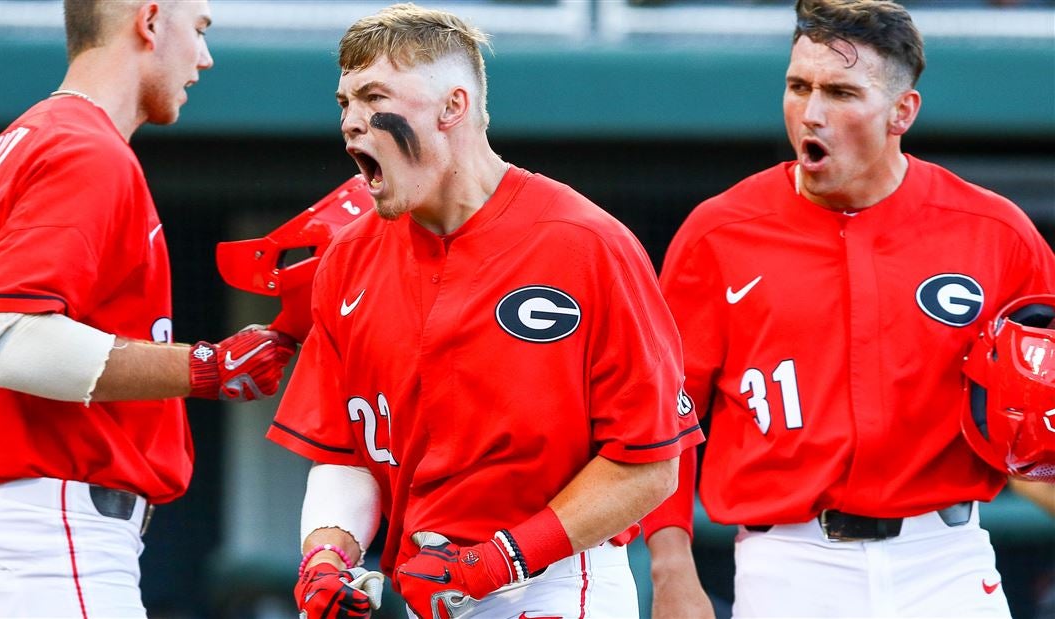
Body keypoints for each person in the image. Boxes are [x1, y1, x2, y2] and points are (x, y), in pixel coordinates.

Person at [265, 4, 704, 618]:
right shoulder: (349, 256)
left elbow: (650, 465)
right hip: (428, 591)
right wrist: (327, 556)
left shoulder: (586, 243)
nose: (351, 123)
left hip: (555, 581)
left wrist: (503, 556)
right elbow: (346, 452)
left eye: (373, 96)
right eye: (344, 103)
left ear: (454, 106)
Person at [646, 0, 1055, 617]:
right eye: (797, 86)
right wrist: (671, 567)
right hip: (788, 563)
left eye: (839, 92)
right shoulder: (718, 234)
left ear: (902, 112)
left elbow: (1037, 427)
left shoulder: (995, 232)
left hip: (946, 558)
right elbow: (658, 421)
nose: (811, 113)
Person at [0, 1, 297, 616]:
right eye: (198, 31)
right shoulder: (87, 150)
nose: (205, 57)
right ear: (150, 19)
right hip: (42, 537)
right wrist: (205, 367)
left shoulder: (16, 142)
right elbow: (9, 343)